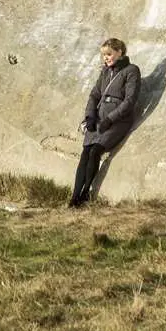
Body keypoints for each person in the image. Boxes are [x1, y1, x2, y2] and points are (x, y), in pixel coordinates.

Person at [69, 38, 140, 208]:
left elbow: (130, 100)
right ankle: (74, 197)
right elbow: (94, 95)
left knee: (95, 151)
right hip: (100, 118)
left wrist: (110, 119)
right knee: (85, 152)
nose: (105, 58)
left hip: (118, 120)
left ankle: (86, 193)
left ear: (119, 52)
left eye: (109, 54)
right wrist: (90, 117)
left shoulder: (131, 71)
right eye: (103, 55)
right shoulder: (105, 72)